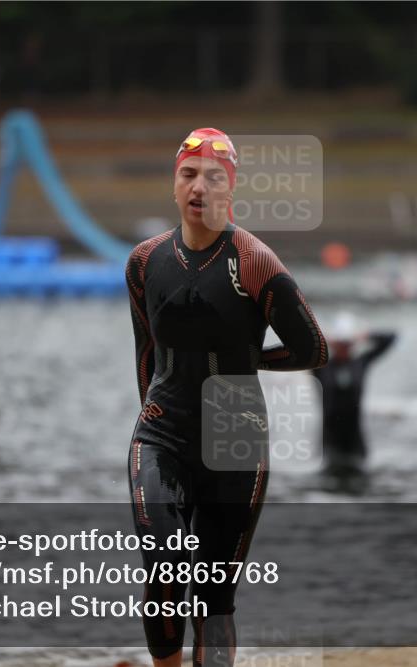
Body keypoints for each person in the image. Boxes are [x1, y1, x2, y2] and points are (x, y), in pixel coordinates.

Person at [125, 128, 328, 667]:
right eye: (188, 174)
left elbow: (313, 349)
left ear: (230, 190)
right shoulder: (144, 262)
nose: (199, 187)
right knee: (163, 564)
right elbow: (146, 355)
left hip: (235, 440)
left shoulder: (254, 261)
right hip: (162, 434)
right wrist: (150, 418)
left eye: (214, 178)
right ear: (174, 184)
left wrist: (248, 359)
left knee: (214, 600)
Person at [312, 313, 397, 475]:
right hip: (329, 438)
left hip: (355, 438)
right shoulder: (320, 366)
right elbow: (301, 346)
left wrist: (365, 336)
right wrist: (323, 338)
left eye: (347, 343)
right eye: (341, 343)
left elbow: (391, 339)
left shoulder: (360, 363)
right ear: (334, 343)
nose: (344, 347)